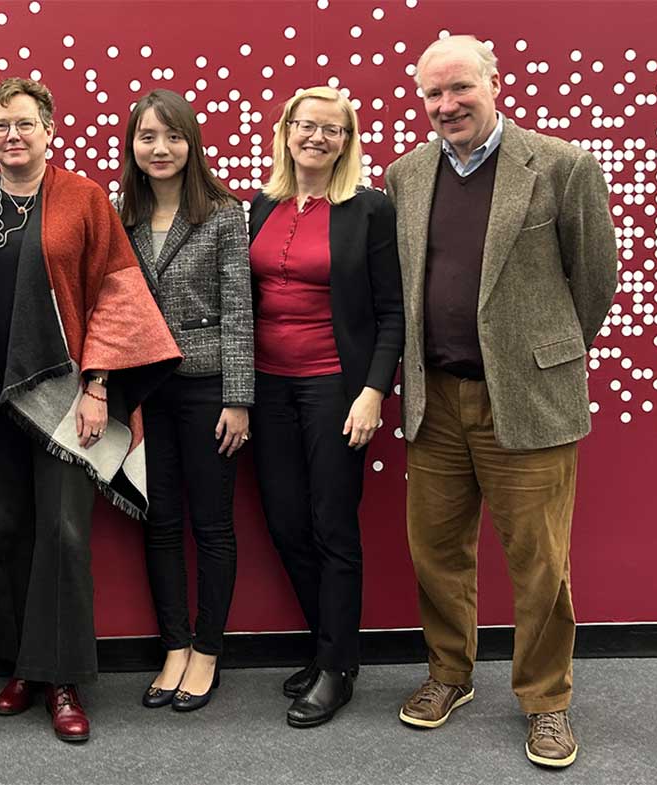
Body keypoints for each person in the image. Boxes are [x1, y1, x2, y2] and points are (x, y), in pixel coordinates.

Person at [383, 35, 618, 767]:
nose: (446, 105)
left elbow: (595, 282)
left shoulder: (562, 165)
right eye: (432, 94)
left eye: (460, 89)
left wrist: (539, 357)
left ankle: (546, 701)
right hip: (436, 400)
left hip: (528, 399)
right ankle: (449, 674)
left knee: (540, 560)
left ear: (494, 84)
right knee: (437, 551)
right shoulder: (406, 174)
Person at [0, 77, 181, 743]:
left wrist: (99, 385)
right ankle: (24, 664)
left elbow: (116, 292)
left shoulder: (84, 199)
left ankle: (63, 679)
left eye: (24, 123)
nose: (12, 136)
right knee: (10, 528)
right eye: (0, 126)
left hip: (70, 398)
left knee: (63, 535)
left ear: (50, 130)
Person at [248, 86, 404, 727]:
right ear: (286, 131)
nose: (317, 137)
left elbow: (394, 312)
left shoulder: (369, 210)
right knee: (285, 522)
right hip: (266, 388)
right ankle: (327, 647)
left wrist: (373, 391)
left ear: (347, 139)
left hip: (335, 388)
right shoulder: (259, 206)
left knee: (332, 526)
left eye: (332, 129)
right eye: (306, 125)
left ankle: (337, 667)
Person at [117, 89, 252, 713]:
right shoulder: (121, 216)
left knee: (213, 523)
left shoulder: (224, 213)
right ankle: (173, 645)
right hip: (146, 390)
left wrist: (239, 398)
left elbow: (239, 311)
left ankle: (207, 651)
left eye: (171, 136)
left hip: (207, 390)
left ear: (190, 142)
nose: (160, 149)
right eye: (147, 137)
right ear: (133, 146)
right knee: (160, 520)